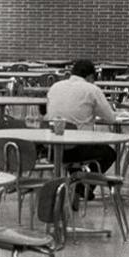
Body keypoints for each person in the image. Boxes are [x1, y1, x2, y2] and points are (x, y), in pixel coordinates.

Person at [46, 59, 117, 202]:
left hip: (52, 149)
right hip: (77, 149)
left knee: (80, 152)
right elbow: (111, 118)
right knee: (109, 153)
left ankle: (78, 183)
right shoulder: (92, 89)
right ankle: (82, 188)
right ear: (91, 77)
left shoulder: (55, 87)